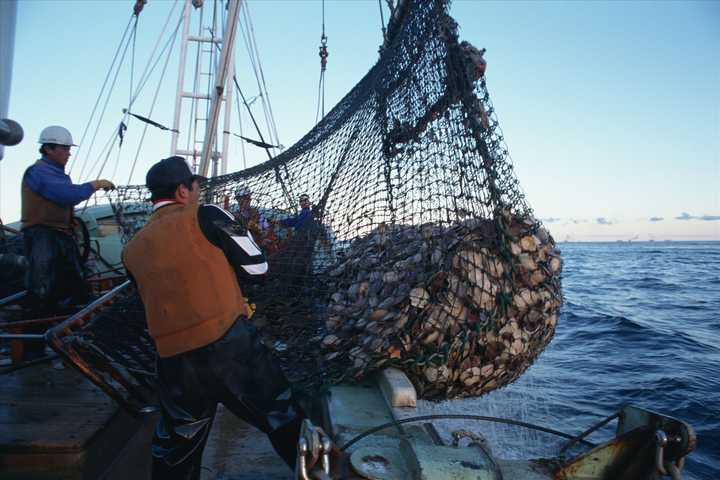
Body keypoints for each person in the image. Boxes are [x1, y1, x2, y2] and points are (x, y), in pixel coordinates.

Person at [122, 156, 303, 479]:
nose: (197, 193)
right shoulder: (208, 214)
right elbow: (257, 268)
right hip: (231, 347)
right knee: (282, 417)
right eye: (195, 187)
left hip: (174, 363)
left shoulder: (131, 248)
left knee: (178, 444)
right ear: (181, 191)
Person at [21, 125, 114, 356]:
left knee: (75, 290)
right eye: (64, 149)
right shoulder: (38, 172)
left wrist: (68, 220)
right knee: (42, 292)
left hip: (59, 235)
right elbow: (66, 195)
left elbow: (64, 198)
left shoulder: (57, 175)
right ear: (49, 148)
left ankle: (73, 345)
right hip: (42, 236)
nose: (68, 153)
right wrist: (94, 185)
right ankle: (33, 350)